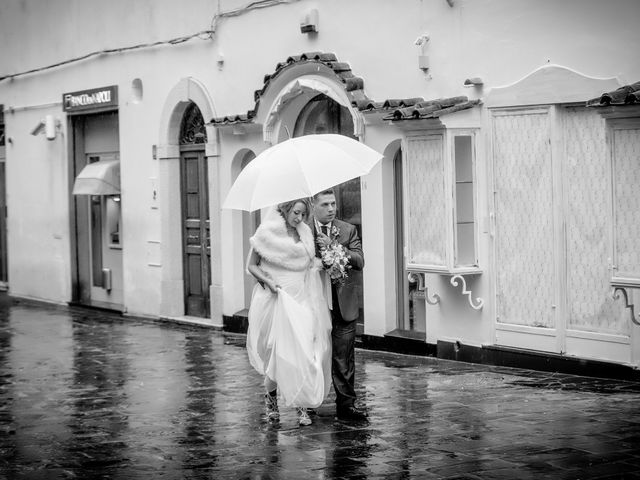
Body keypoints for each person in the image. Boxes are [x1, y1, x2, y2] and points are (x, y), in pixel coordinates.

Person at [246, 198, 332, 426]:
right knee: (277, 356)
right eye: (296, 213)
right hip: (275, 301)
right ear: (285, 210)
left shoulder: (304, 232)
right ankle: (271, 400)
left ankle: (302, 406)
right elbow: (251, 265)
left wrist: (321, 263)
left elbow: (307, 264)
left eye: (303, 214)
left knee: (303, 353)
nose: (300, 218)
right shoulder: (266, 232)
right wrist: (268, 281)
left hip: (301, 300)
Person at [312, 189, 367, 421]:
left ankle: (347, 406)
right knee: (312, 356)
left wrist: (336, 247)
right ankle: (307, 404)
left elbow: (360, 261)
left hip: (343, 303)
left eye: (333, 203)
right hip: (313, 304)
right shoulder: (303, 232)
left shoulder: (347, 229)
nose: (331, 208)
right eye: (325, 204)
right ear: (313, 205)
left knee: (344, 357)